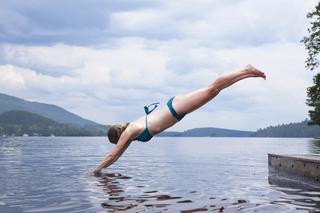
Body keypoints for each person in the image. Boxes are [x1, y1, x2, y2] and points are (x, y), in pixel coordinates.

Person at [93, 65, 266, 175]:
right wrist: (101, 170)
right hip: (176, 110)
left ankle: (245, 71)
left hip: (175, 108)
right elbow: (116, 156)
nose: (119, 144)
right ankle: (247, 73)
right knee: (214, 91)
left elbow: (112, 154)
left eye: (117, 142)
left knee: (212, 89)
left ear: (118, 137)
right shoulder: (131, 133)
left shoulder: (130, 131)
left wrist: (94, 171)